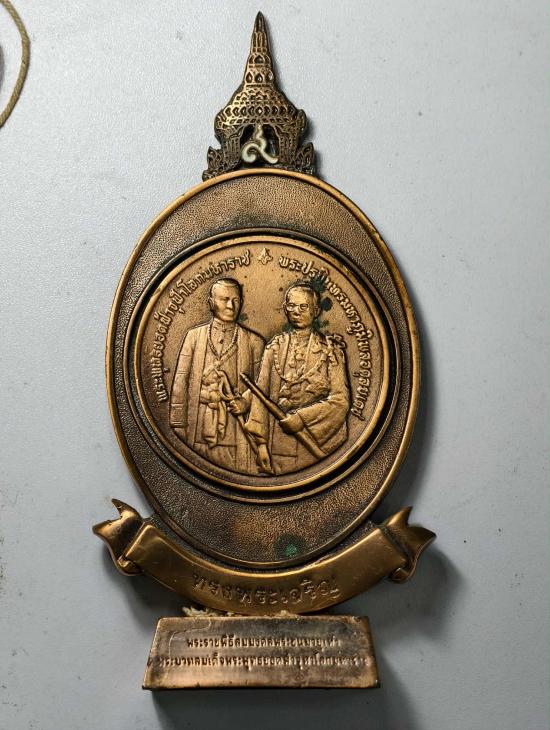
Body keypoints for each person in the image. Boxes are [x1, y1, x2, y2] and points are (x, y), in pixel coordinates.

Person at [243, 283, 350, 475]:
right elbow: (261, 395)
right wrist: (261, 445)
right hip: (277, 448)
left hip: (315, 444)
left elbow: (340, 401)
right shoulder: (274, 348)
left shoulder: (331, 350)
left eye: (303, 306)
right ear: (285, 309)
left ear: (315, 311)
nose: (296, 311)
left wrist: (301, 418)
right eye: (292, 306)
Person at [169, 278, 264, 474]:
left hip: (237, 434)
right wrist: (178, 425)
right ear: (211, 303)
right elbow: (180, 381)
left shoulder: (254, 342)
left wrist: (245, 402)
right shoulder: (194, 337)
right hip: (197, 429)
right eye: (224, 299)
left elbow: (262, 386)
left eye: (235, 300)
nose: (231, 306)